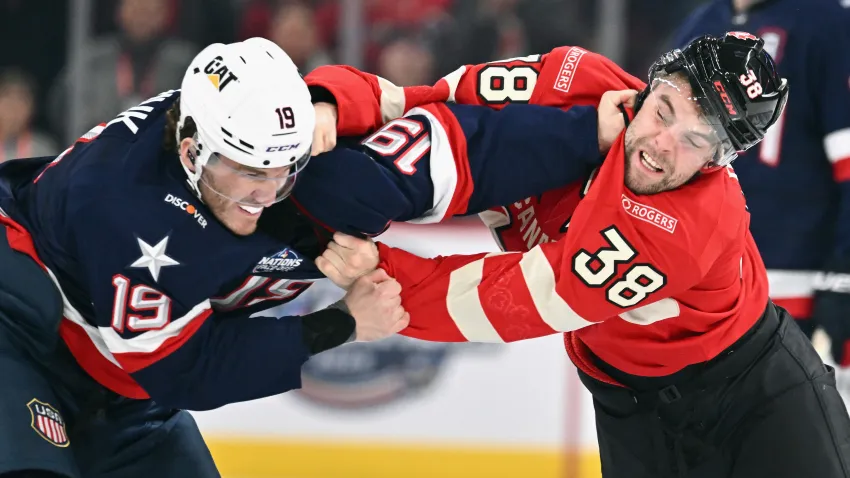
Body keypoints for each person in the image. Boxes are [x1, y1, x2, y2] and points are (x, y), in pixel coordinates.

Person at [0, 35, 631, 477]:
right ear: (191, 152)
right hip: (20, 333)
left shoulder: (314, 165)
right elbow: (181, 372)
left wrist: (585, 134)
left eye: (284, 169)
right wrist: (343, 324)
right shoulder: (119, 205)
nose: (265, 194)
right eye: (246, 173)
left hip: (123, 388)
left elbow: (458, 142)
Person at [300, 33, 850, 477]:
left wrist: (382, 273)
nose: (662, 144)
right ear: (652, 83)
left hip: (759, 396)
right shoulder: (570, 78)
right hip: (627, 405)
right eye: (664, 111)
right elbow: (433, 100)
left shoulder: (688, 223)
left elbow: (519, 300)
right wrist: (329, 104)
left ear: (719, 159)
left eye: (696, 140)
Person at [670, 0, 850, 385]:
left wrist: (845, 271)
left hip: (794, 283)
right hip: (702, 282)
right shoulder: (702, 23)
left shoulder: (829, 23)